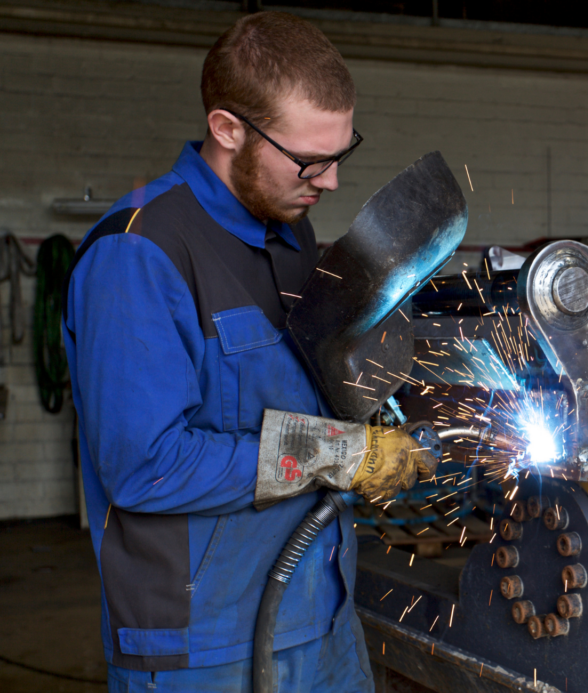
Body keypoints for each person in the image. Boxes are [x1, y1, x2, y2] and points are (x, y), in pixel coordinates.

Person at [61, 12, 435, 692]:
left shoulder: (292, 235)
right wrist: (341, 455)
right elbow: (146, 466)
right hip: (204, 645)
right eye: (309, 161)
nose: (330, 182)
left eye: (340, 155)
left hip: (322, 612)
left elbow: (299, 388)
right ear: (228, 129)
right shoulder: (140, 253)